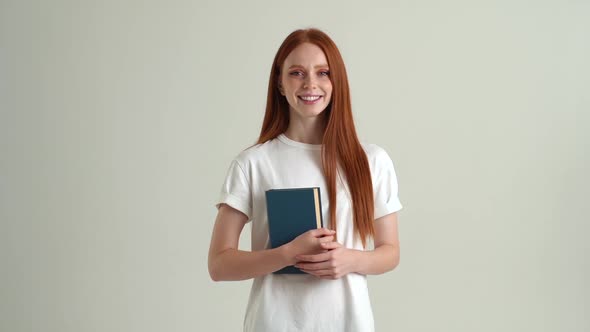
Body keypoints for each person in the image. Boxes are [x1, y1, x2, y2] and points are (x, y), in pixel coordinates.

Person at [208, 27, 403, 332]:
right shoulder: (252, 163)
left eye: (323, 72)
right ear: (280, 84)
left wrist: (349, 260)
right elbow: (219, 265)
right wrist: (286, 254)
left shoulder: (371, 161)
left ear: (337, 81)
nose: (310, 83)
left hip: (349, 324)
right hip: (272, 324)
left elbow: (390, 252)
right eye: (296, 73)